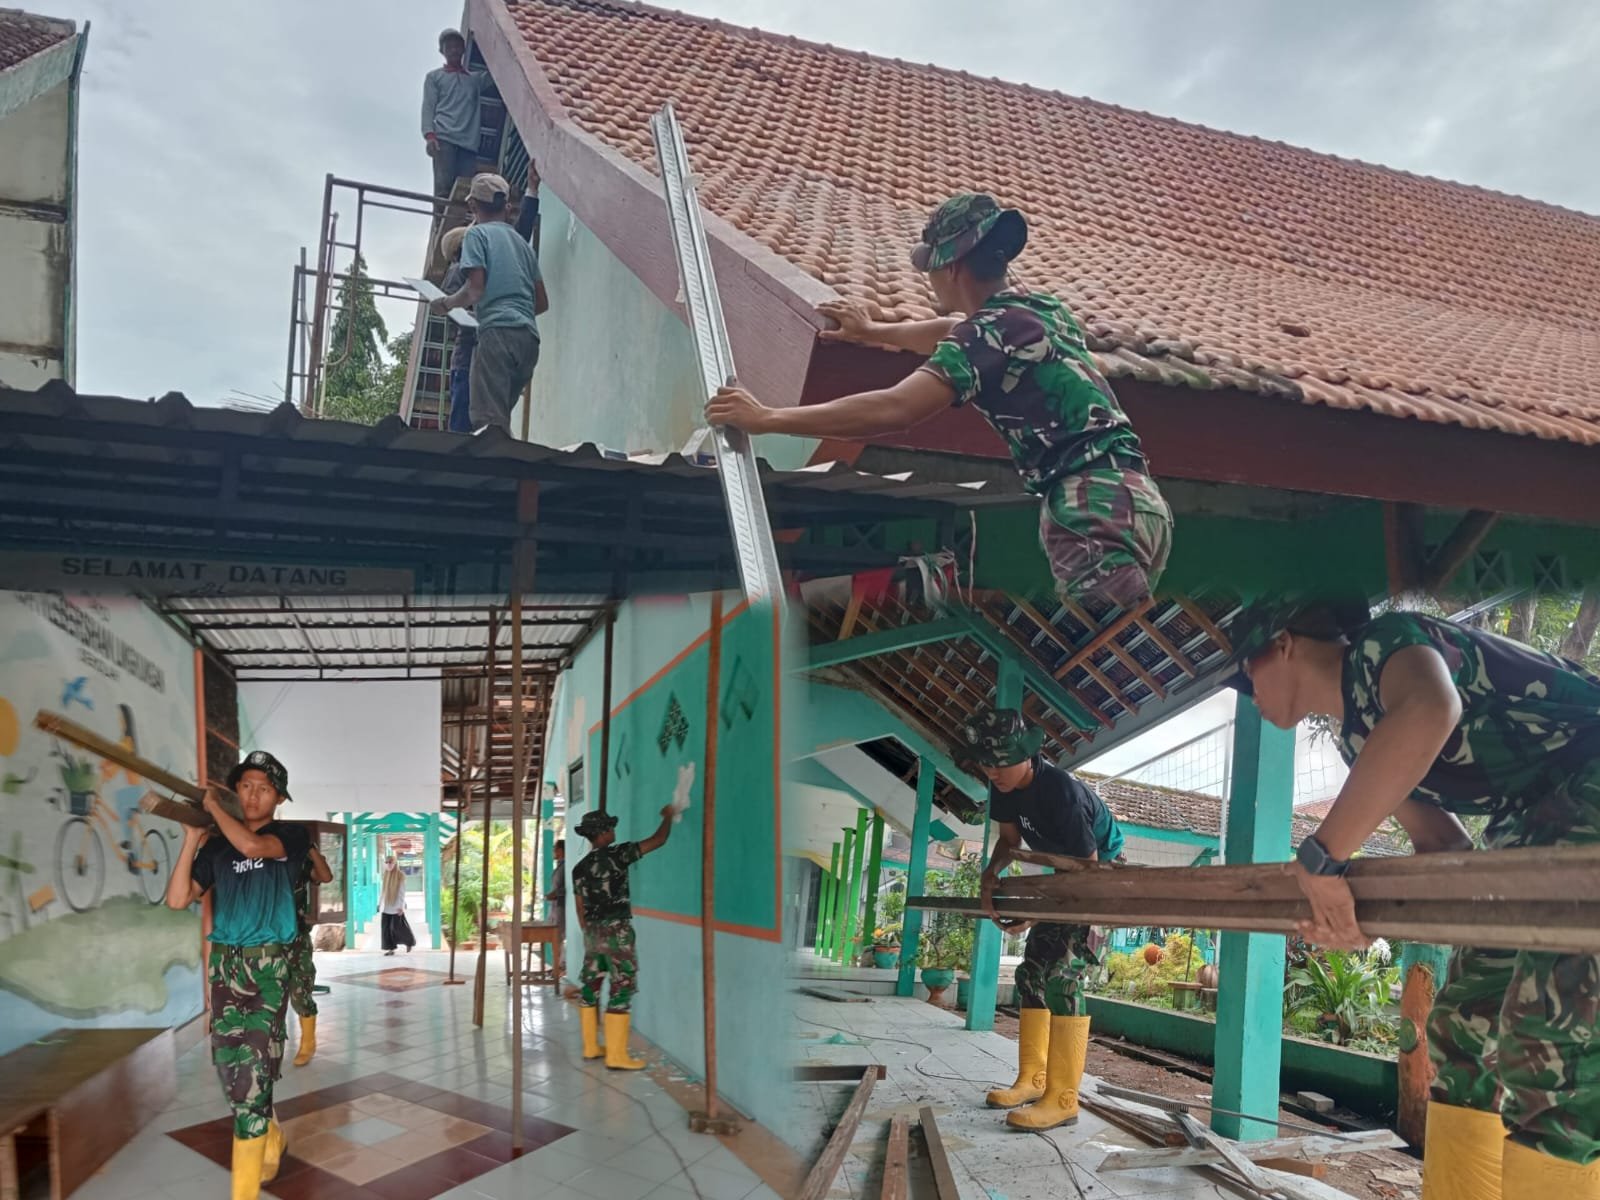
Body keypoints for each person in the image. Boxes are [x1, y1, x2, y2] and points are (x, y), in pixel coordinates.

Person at [1230, 599, 1600, 1199]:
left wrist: (1322, 862)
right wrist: (1364, 922)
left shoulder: (1383, 643)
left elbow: (1432, 708)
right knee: (1463, 1025)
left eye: (1246, 675)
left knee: (1553, 1041)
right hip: (1531, 813)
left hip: (1588, 782)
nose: (1250, 694)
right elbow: (1442, 845)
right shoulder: (1360, 740)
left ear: (1284, 641)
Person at [704, 192, 1172, 610]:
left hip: (1090, 507)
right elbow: (950, 333)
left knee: (1095, 667)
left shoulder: (986, 333)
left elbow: (895, 408)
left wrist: (766, 418)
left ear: (950, 267)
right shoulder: (1041, 312)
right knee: (1116, 653)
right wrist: (873, 332)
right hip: (1141, 503)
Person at [965, 708, 1126, 1132]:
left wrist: (1035, 913)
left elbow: (1086, 872)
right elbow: (1009, 842)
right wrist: (990, 875)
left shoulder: (1060, 792)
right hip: (1062, 877)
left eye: (1001, 762)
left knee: (1063, 978)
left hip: (1102, 878)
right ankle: (1033, 1080)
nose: (992, 771)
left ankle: (1063, 1097)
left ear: (1028, 754)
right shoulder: (1003, 784)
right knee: (1030, 976)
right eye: (986, 762)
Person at [165, 750, 308, 1200]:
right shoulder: (218, 846)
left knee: (253, 1072)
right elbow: (177, 899)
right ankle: (270, 1133)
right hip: (226, 966)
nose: (253, 794)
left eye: (264, 788)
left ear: (279, 797)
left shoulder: (290, 835)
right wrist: (192, 839)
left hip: (269, 966)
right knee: (232, 1070)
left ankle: (241, 1191)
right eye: (245, 785)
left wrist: (210, 809)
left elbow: (251, 846)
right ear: (235, 791)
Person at [432, 173, 548, 431]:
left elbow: (474, 290)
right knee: (499, 420)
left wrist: (446, 303)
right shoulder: (523, 245)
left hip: (497, 337)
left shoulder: (476, 237)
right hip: (529, 341)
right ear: (506, 205)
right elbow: (541, 303)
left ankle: (497, 471)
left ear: (473, 206)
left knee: (487, 426)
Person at [572, 806, 674, 1070]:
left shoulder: (579, 868)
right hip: (617, 931)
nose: (614, 831)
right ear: (603, 833)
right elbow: (659, 840)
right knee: (621, 987)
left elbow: (580, 908)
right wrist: (668, 816)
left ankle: (592, 1046)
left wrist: (589, 934)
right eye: (611, 827)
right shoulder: (619, 855)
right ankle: (617, 1056)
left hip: (592, 933)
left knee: (590, 986)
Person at [421, 29, 490, 199]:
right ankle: (440, 224)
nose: (453, 50)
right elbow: (428, 107)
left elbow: (500, 71)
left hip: (468, 144)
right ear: (442, 51)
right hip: (444, 140)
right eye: (448, 47)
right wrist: (430, 136)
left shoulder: (475, 80)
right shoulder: (434, 77)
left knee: (466, 191)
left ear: (463, 49)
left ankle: (462, 225)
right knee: (443, 190)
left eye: (457, 46)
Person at [287, 837, 333, 1067]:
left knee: (300, 988)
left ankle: (308, 1041)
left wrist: (311, 848)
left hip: (296, 935)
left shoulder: (299, 862)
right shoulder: (262, 860)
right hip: (265, 935)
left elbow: (325, 876)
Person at [379, 854, 416, 955]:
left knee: (398, 927)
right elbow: (383, 891)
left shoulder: (400, 875)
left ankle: (409, 942)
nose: (388, 865)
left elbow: (402, 892)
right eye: (386, 863)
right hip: (386, 906)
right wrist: (379, 904)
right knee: (386, 929)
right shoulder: (386, 875)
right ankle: (391, 949)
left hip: (396, 906)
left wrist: (401, 906)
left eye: (390, 862)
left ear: (395, 863)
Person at [543, 837, 567, 974]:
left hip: (561, 907)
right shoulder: (559, 866)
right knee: (555, 938)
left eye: (555, 849)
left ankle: (560, 966)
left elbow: (567, 887)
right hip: (554, 906)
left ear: (561, 850)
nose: (553, 851)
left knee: (558, 937)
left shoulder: (565, 867)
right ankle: (557, 965)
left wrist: (555, 894)